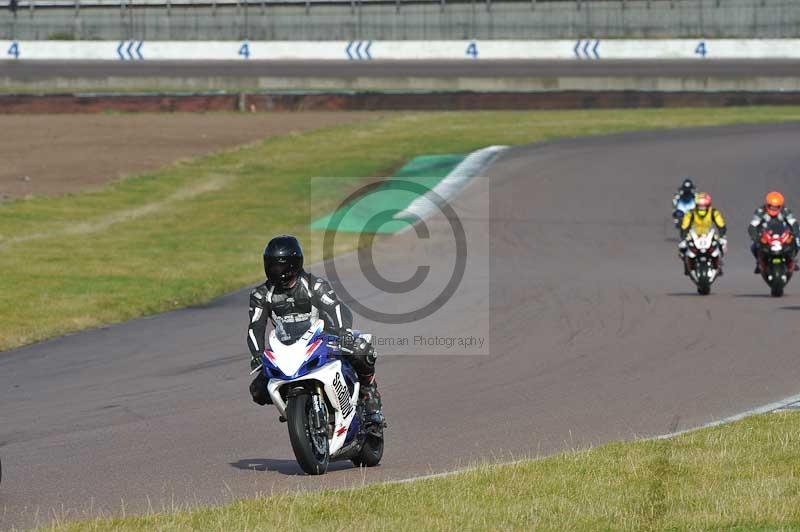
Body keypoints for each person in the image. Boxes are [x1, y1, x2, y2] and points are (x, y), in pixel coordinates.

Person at [247, 235, 384, 425]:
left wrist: (343, 332)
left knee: (362, 351)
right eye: (271, 265)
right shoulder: (261, 295)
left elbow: (335, 307)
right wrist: (257, 355)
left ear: (293, 264)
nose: (275, 270)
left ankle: (369, 395)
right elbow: (256, 326)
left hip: (325, 339)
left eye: (279, 265)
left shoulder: (315, 285)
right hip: (288, 347)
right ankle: (299, 409)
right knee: (258, 391)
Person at [748, 191, 800, 274]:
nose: (773, 209)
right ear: (767, 204)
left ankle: (791, 259)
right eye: (771, 206)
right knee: (753, 246)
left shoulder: (786, 211)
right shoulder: (760, 212)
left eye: (776, 207)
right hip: (765, 234)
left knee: (797, 242)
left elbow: (793, 223)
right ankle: (760, 262)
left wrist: (795, 233)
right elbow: (753, 225)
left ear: (780, 206)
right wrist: (755, 237)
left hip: (782, 234)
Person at [678, 192, 727, 275]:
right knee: (682, 247)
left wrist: (722, 236)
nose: (702, 208)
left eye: (704, 206)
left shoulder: (714, 212)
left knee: (721, 245)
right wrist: (683, 237)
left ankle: (719, 264)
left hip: (709, 234)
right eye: (700, 206)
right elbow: (684, 226)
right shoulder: (690, 213)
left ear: (708, 205)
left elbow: (721, 225)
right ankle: (687, 265)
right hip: (693, 235)